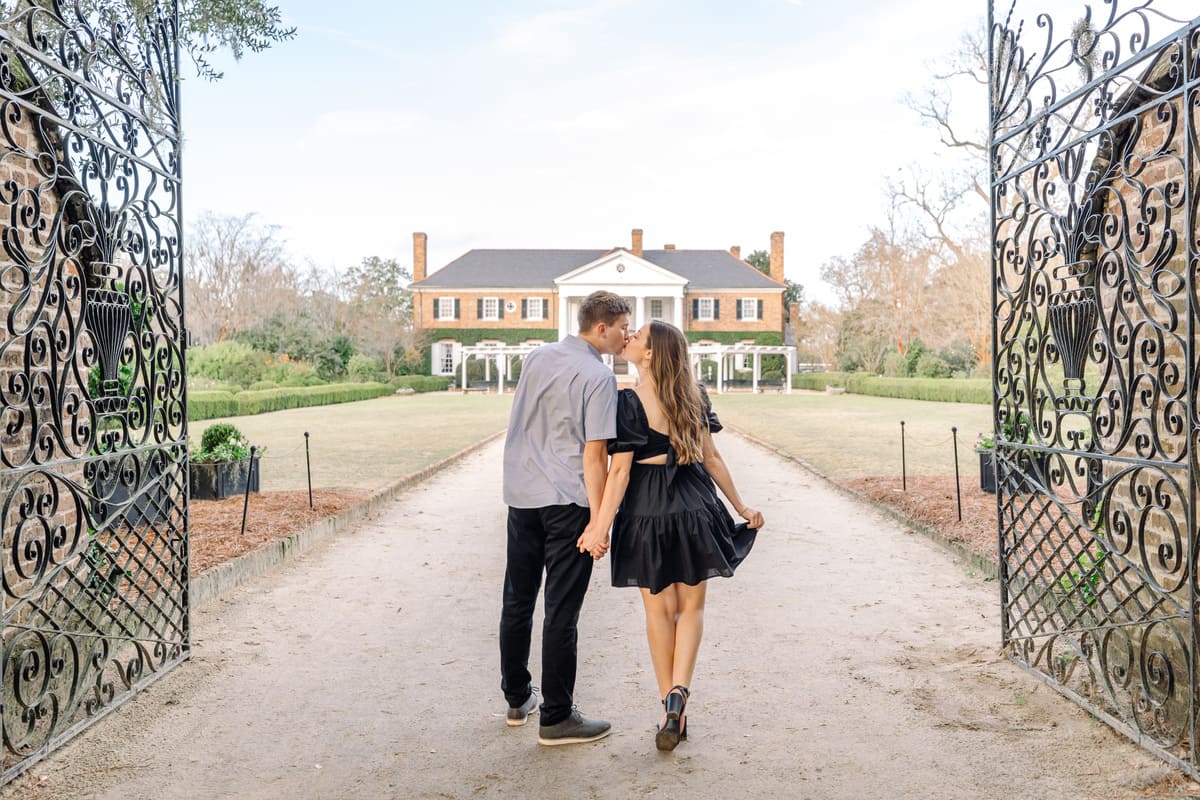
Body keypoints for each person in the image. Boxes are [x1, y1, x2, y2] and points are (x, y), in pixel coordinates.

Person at [578, 320, 764, 752]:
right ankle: (681, 692)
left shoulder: (628, 402)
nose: (630, 338)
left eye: (638, 337)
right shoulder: (694, 395)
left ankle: (668, 707)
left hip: (647, 510)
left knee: (659, 612)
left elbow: (620, 472)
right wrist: (742, 508)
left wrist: (599, 527)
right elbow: (712, 458)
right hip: (696, 504)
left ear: (650, 355)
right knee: (692, 608)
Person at [499, 290, 632, 746]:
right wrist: (600, 523)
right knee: (561, 610)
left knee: (518, 599)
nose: (625, 335)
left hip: (522, 495)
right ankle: (556, 716)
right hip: (567, 500)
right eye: (622, 328)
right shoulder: (598, 376)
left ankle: (518, 698)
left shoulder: (537, 357)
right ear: (601, 327)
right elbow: (595, 455)